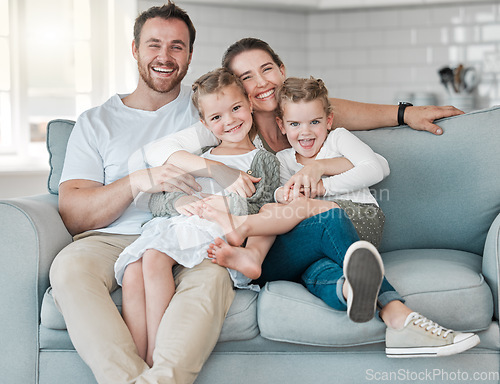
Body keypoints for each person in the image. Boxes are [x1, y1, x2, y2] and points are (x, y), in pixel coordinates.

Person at [48, 4, 465, 382]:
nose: (165, 55)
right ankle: (127, 380)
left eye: (177, 46)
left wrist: (402, 113)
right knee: (70, 271)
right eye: (154, 44)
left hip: (236, 234)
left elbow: (323, 110)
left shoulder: (248, 113)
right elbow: (99, 193)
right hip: (171, 232)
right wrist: (196, 172)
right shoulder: (186, 121)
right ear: (135, 48)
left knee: (273, 266)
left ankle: (358, 297)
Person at [144, 40, 479, 358]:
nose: (261, 82)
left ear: (282, 69)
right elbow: (157, 153)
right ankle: (397, 313)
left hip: (291, 243)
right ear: (237, 90)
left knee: (319, 268)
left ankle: (352, 294)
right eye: (247, 77)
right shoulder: (229, 124)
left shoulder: (306, 119)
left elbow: (352, 135)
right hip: (271, 242)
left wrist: (403, 114)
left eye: (266, 69)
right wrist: (219, 170)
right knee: (327, 217)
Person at [114, 67, 280, 367]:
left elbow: (262, 210)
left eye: (236, 108)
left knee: (153, 258)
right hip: (177, 224)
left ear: (249, 105)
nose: (229, 121)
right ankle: (137, 363)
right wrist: (181, 202)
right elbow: (160, 201)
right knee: (131, 272)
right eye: (217, 117)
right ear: (204, 122)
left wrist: (222, 205)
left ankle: (156, 356)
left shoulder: (260, 159)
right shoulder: (202, 156)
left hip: (215, 229)